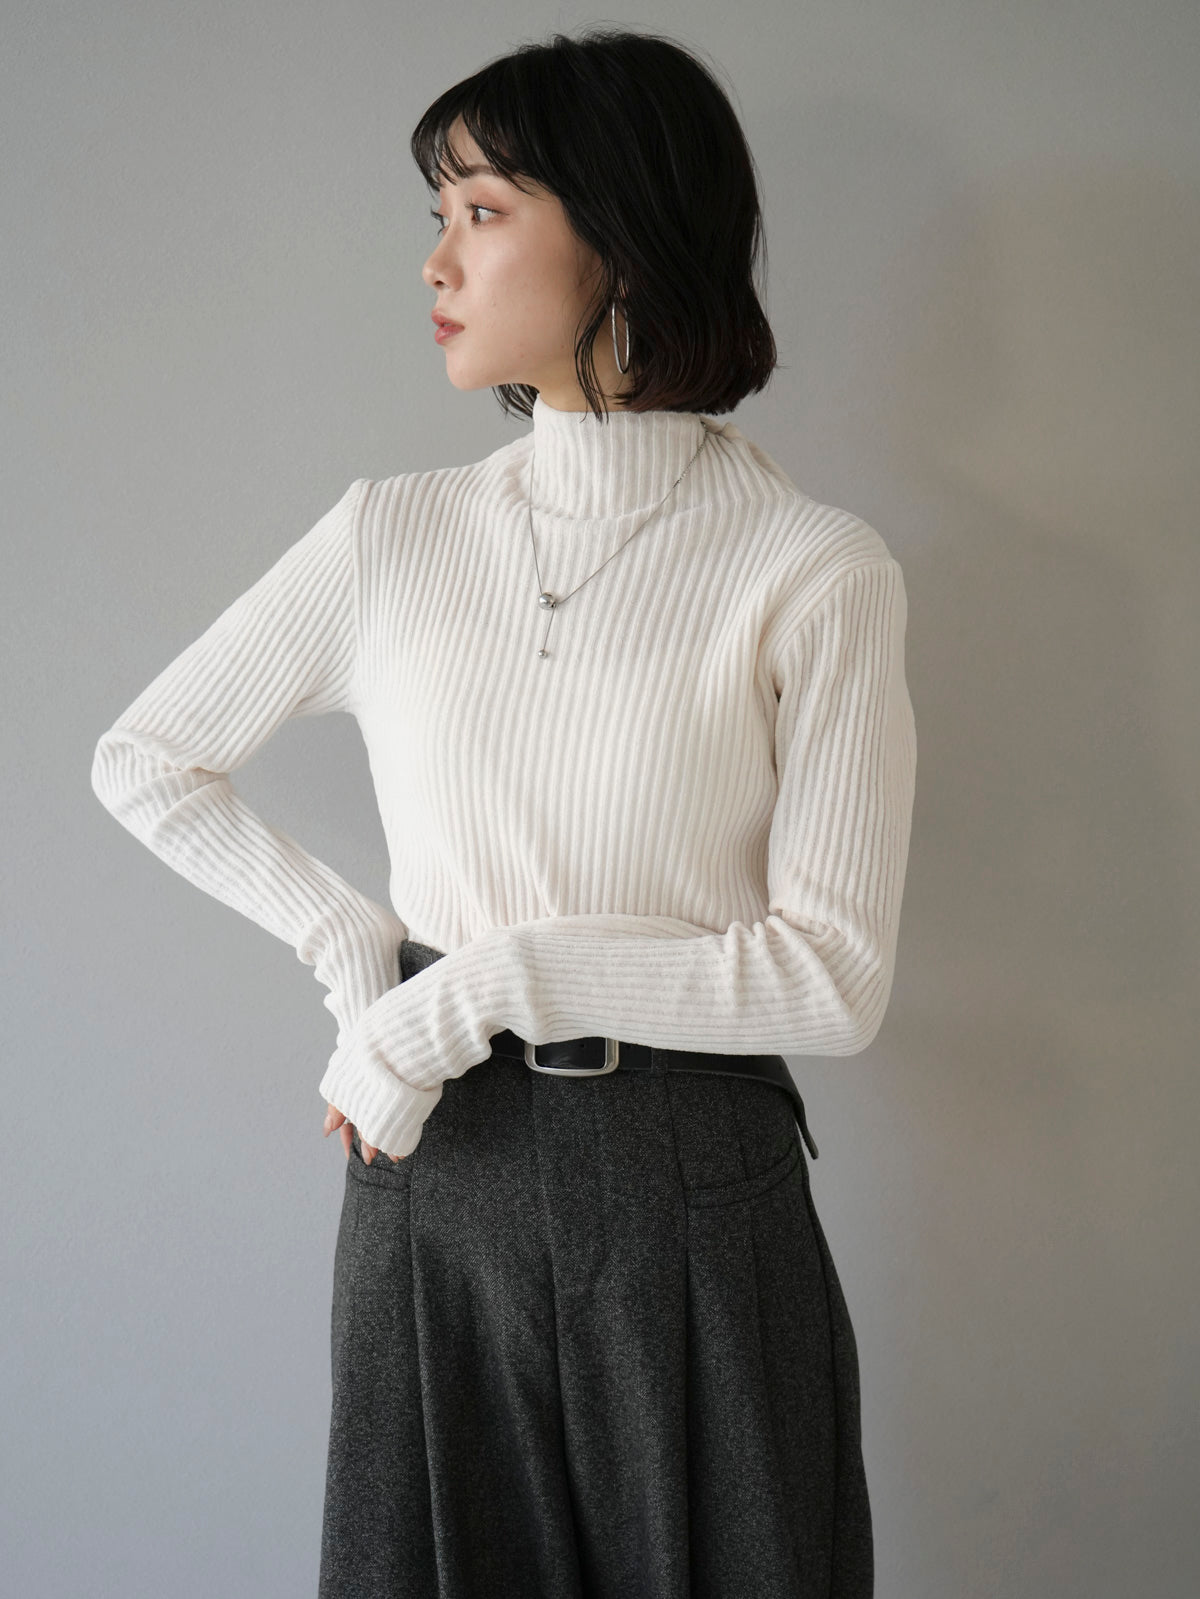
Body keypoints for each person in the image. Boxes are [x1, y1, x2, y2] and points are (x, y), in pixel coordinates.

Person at [91, 25, 916, 1599]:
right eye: (440, 216)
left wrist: (471, 988)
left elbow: (832, 979)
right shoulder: (390, 537)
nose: (435, 263)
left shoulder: (812, 569)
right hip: (437, 1170)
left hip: (694, 1181)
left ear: (622, 235)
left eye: (481, 211)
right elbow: (150, 759)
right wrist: (352, 950)